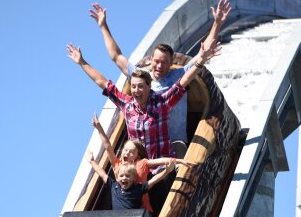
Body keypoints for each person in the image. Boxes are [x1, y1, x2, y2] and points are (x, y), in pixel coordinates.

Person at [89, 0, 232, 153]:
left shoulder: (180, 75)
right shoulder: (141, 77)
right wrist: (103, 26)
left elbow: (201, 56)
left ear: (171, 63)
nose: (159, 66)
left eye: (164, 63)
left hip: (174, 141)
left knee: (180, 161)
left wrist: (217, 23)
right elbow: (116, 56)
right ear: (151, 59)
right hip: (146, 144)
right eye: (156, 61)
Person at [67, 40, 220, 160]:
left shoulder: (162, 103)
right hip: (139, 168)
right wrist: (82, 62)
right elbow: (102, 82)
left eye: (140, 87)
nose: (136, 91)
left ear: (149, 87)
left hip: (161, 167)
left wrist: (202, 59)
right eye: (133, 87)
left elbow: (184, 80)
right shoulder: (127, 105)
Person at [91, 113, 194, 214]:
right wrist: (99, 128)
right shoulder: (118, 165)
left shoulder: (142, 163)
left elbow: (160, 161)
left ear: (138, 156)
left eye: (131, 152)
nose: (127, 153)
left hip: (142, 209)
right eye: (125, 150)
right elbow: (108, 147)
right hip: (124, 208)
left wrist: (179, 161)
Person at [86, 151, 176, 211]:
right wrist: (92, 161)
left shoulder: (138, 188)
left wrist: (167, 171)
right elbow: (102, 174)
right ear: (117, 178)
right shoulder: (114, 185)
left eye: (127, 176)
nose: (124, 178)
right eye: (121, 176)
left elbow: (153, 180)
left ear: (133, 179)